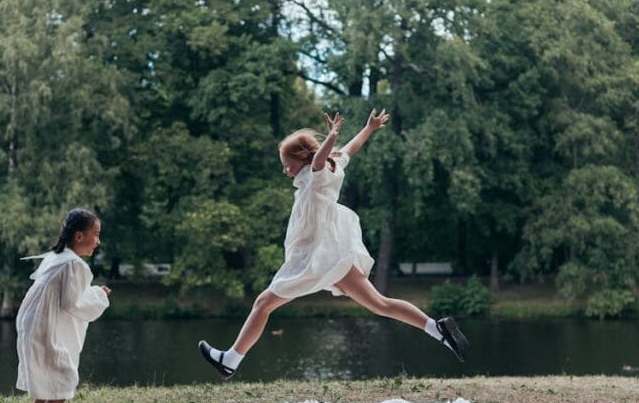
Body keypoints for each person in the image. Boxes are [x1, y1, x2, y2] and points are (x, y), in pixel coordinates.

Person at [199, 110, 469, 379]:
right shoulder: (334, 165)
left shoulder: (315, 175)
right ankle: (438, 329)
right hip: (335, 254)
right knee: (380, 304)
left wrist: (331, 135)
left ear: (302, 158)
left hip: (317, 259)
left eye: (287, 163)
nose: (285, 170)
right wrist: (369, 128)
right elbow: (351, 148)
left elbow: (318, 158)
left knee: (262, 303)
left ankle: (230, 360)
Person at [15, 208, 111, 403]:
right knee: (63, 376)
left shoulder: (57, 257)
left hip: (34, 322)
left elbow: (65, 294)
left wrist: (93, 292)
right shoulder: (75, 265)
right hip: (43, 325)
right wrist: (99, 295)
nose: (98, 241)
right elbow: (73, 303)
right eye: (95, 234)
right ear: (79, 236)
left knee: (50, 371)